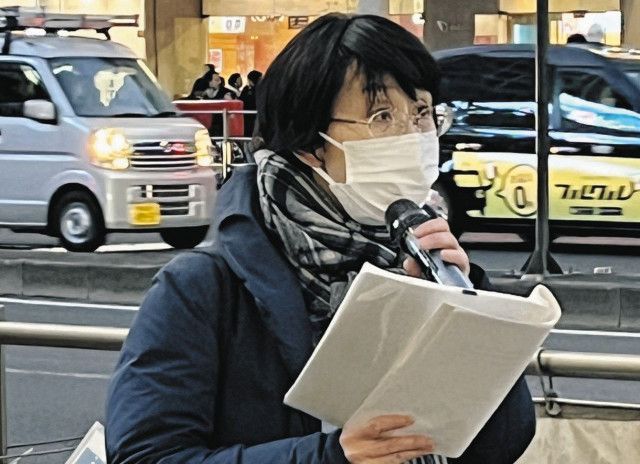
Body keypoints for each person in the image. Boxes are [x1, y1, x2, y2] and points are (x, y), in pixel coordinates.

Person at [105, 13, 535, 464]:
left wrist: (468, 305)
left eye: (423, 114)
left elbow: (502, 442)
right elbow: (144, 455)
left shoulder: (428, 267)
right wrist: (328, 457)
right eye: (382, 116)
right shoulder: (202, 289)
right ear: (311, 141)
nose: (412, 136)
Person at [240, 69, 262, 136]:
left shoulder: (246, 90)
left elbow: (241, 101)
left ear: (250, 80)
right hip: (258, 118)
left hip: (247, 118)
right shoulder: (263, 89)